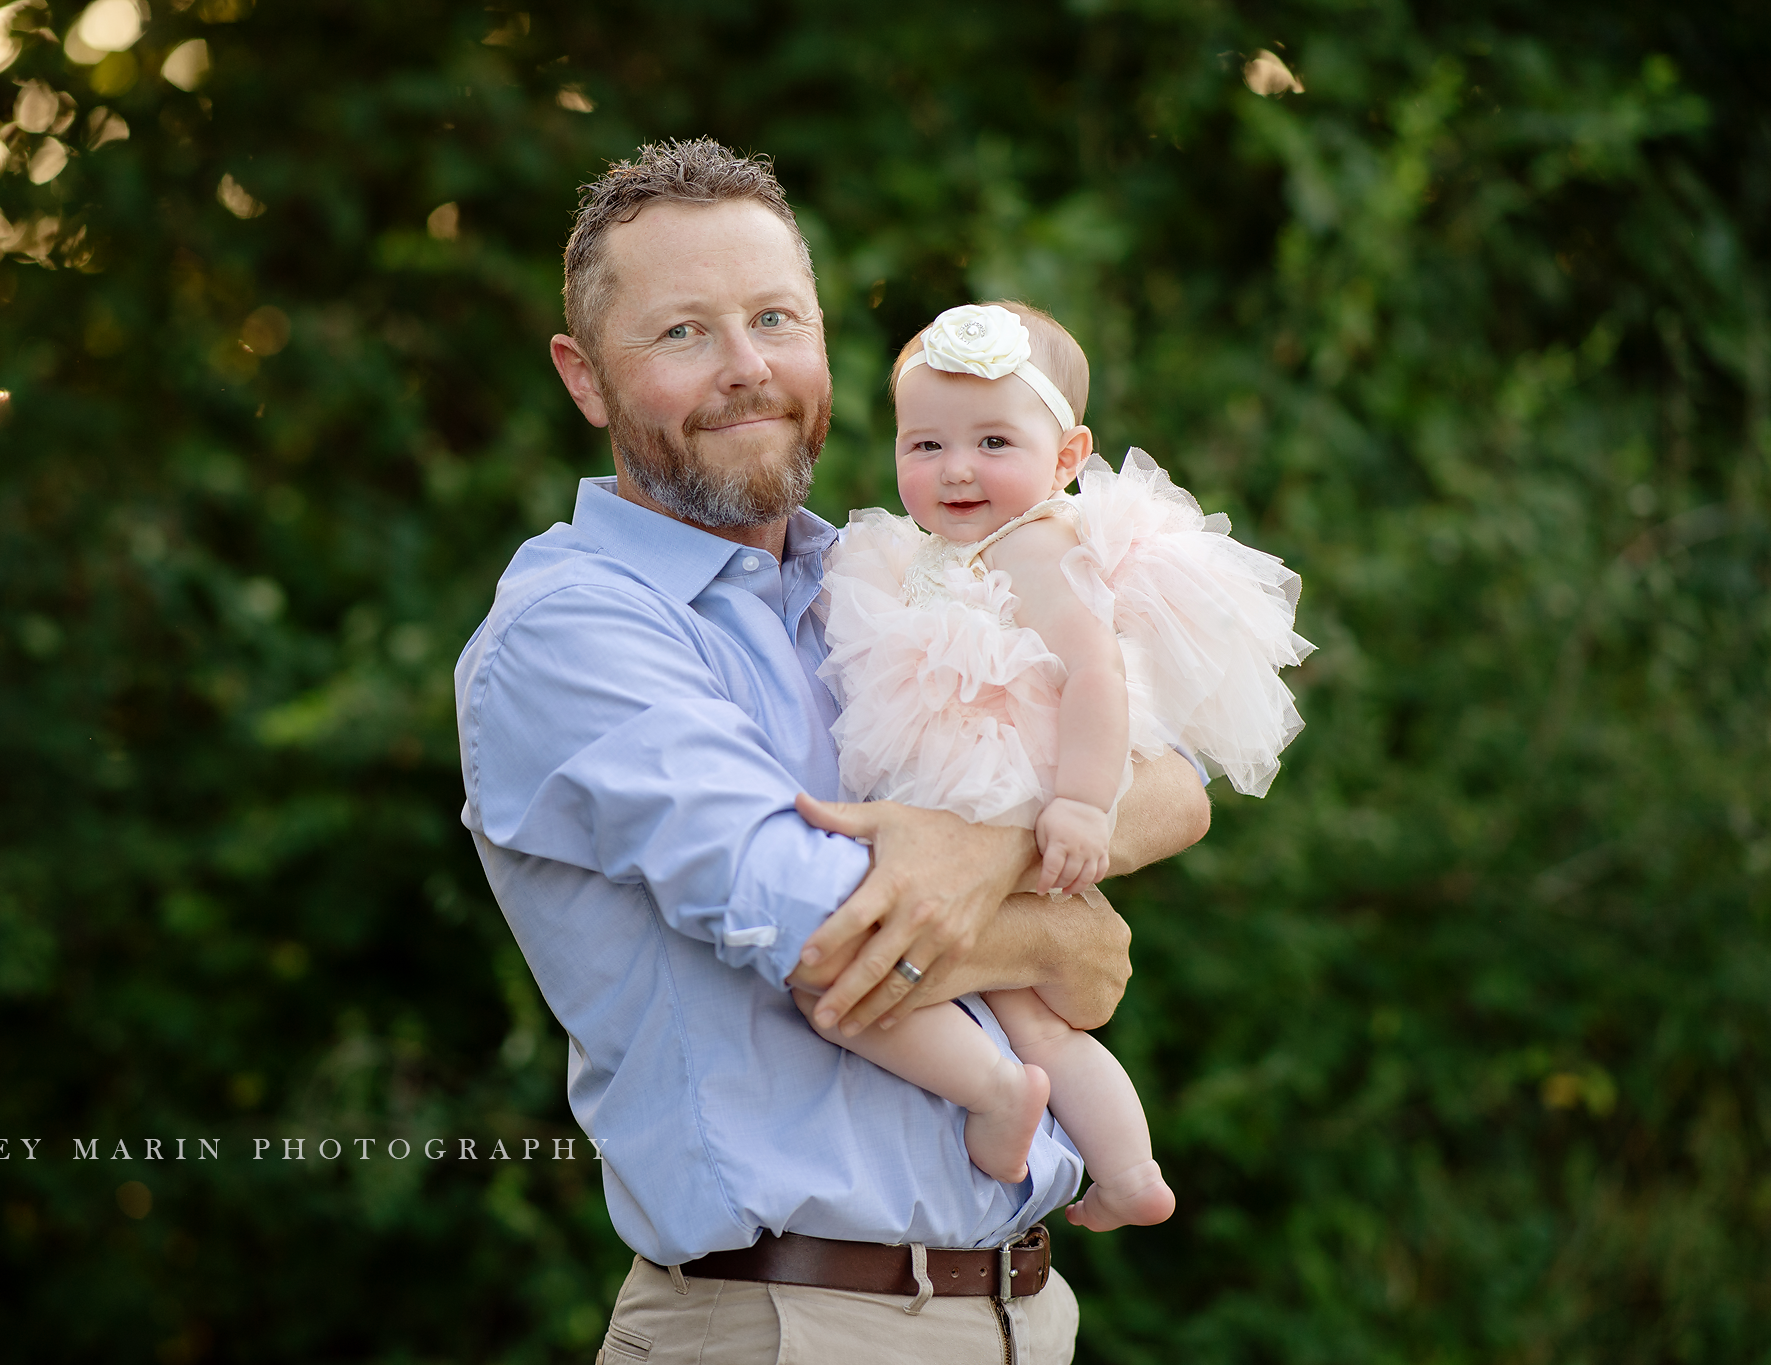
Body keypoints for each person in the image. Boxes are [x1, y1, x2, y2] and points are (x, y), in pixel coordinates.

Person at [455, 138, 1209, 1364]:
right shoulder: (572, 629)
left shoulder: (872, 575)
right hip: (786, 1322)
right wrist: (1060, 923)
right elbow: (824, 933)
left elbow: (1172, 789)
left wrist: (985, 853)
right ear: (584, 378)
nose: (745, 370)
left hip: (1024, 1314)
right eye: (681, 334)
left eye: (772, 318)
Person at [799, 301, 1314, 1232]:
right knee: (1038, 1018)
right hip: (952, 790)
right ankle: (1127, 1169)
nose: (955, 468)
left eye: (994, 440)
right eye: (925, 445)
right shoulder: (912, 552)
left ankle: (1002, 1095)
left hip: (1000, 788)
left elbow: (1096, 672)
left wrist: (1080, 804)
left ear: (1068, 459)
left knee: (866, 983)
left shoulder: (1038, 542)